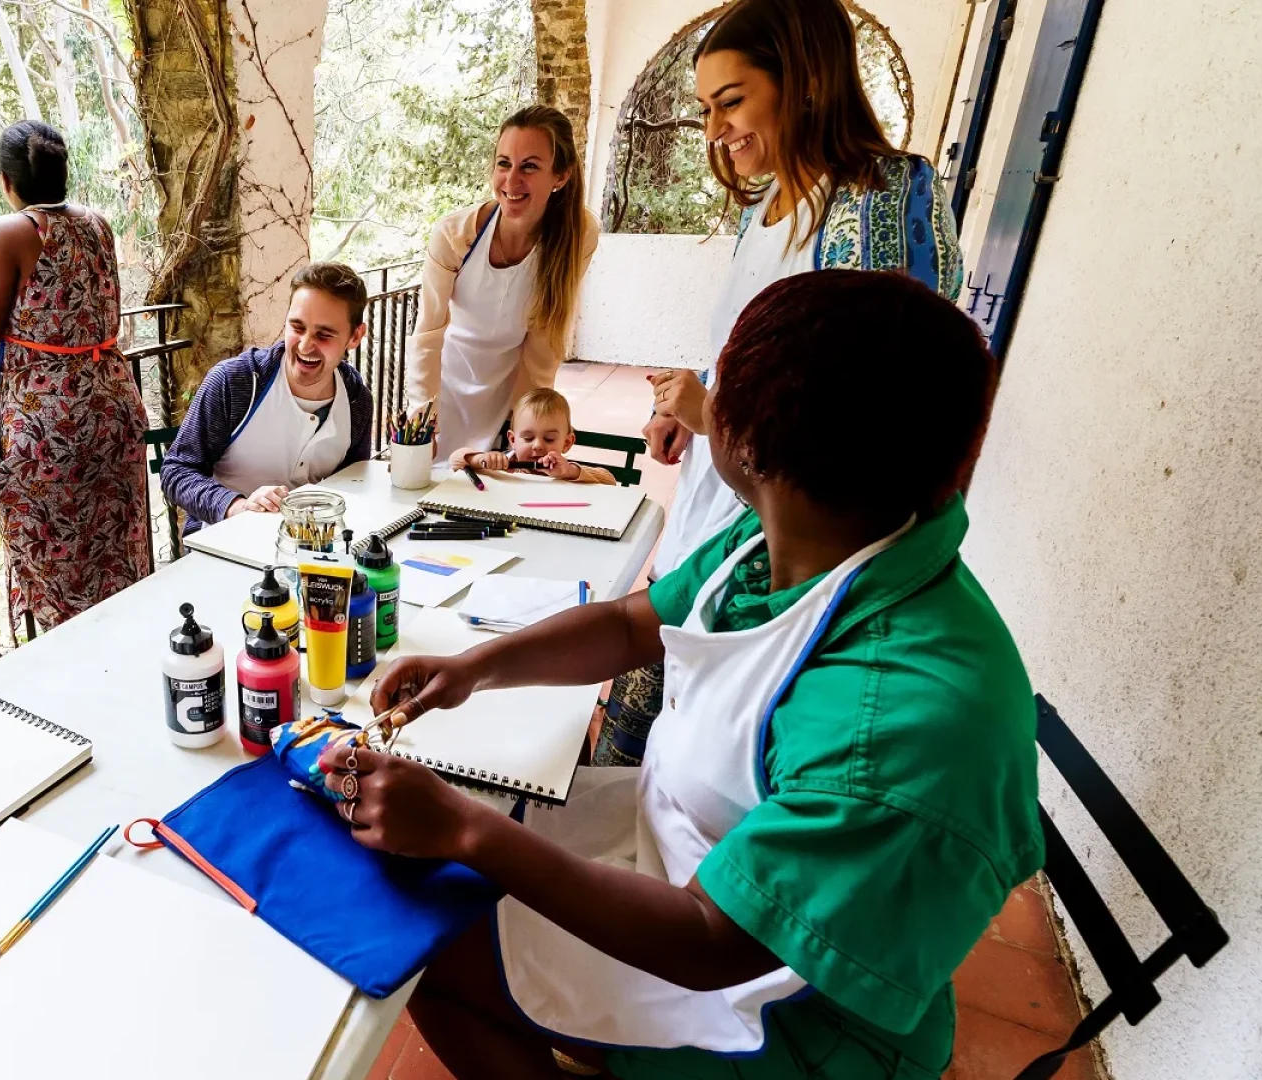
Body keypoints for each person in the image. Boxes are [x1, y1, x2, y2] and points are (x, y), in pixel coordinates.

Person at [332, 271, 1040, 1080]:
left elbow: (713, 942)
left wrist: (465, 827)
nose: (696, 396)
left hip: (792, 1004)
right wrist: (473, 669)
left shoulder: (903, 718)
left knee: (425, 944)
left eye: (717, 381)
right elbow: (637, 622)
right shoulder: (804, 533)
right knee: (459, 861)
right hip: (692, 856)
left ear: (751, 439)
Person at [603, 0, 965, 767]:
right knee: (641, 748)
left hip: (796, 565)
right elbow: (760, 347)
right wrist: (696, 399)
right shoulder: (767, 205)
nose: (713, 131)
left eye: (730, 102)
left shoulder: (878, 200)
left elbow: (877, 411)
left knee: (720, 769)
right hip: (714, 523)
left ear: (804, 83)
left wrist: (719, 413)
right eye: (705, 109)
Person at [0, 120, 150, 632]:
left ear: (6, 182)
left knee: (59, 560)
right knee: (115, 549)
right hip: (111, 407)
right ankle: (125, 648)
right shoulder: (97, 224)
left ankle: (70, 669)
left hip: (51, 425)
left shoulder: (7, 233)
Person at [407, 105, 600, 465]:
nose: (511, 182)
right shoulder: (454, 235)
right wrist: (422, 416)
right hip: (445, 387)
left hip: (509, 390)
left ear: (560, 175)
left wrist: (527, 425)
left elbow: (545, 339)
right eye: (503, 163)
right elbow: (428, 332)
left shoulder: (580, 235)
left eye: (529, 166)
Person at [160, 263, 374, 533]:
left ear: (355, 336)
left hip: (310, 549)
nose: (305, 345)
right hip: (222, 544)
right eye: (297, 327)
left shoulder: (357, 401)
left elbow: (353, 485)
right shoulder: (234, 382)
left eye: (324, 335)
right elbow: (176, 471)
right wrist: (236, 506)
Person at [450, 387, 618, 484]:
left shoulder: (564, 470)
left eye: (549, 439)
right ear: (513, 440)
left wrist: (569, 472)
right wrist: (479, 459)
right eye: (528, 438)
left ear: (567, 443)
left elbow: (609, 480)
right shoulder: (502, 466)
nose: (537, 445)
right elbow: (455, 460)